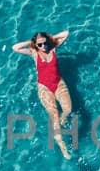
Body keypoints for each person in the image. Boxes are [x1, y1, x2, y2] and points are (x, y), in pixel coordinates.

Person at [10, 30, 73, 158]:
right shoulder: (34, 53)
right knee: (54, 115)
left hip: (59, 84)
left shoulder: (53, 48)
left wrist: (50, 39)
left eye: (45, 43)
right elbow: (15, 47)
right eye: (40, 45)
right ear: (36, 45)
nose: (43, 46)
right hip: (45, 88)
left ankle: (63, 119)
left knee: (68, 110)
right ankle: (63, 147)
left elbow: (66, 33)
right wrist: (33, 43)